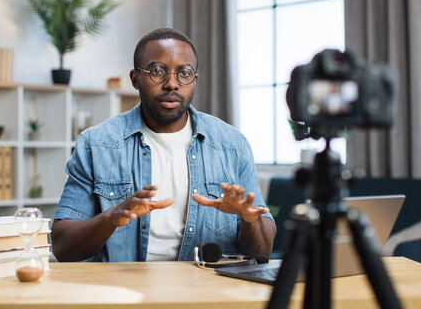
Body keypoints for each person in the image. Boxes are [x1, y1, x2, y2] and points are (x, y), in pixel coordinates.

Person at [51, 28, 276, 262]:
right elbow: (63, 248)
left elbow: (261, 252)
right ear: (135, 78)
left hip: (205, 290)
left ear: (195, 80)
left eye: (184, 73)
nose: (171, 84)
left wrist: (250, 219)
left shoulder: (232, 145)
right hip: (120, 290)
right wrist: (111, 217)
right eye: (157, 71)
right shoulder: (95, 144)